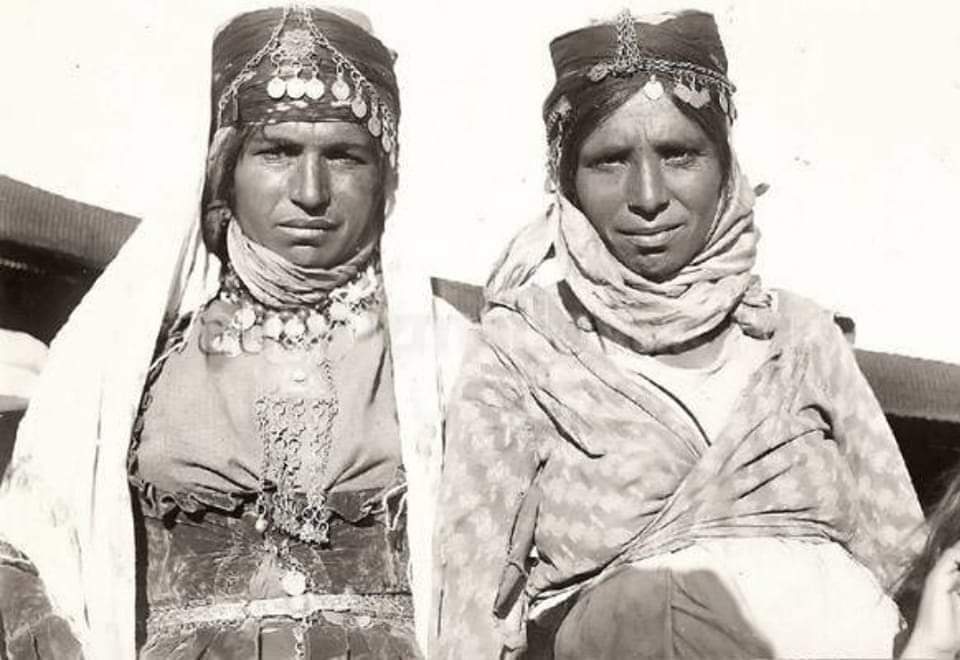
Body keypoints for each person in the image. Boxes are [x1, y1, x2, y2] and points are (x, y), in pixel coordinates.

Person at [432, 9, 924, 659]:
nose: (648, 196)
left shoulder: (800, 338)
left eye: (679, 154)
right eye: (609, 161)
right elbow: (471, 610)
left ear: (724, 165)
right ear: (567, 180)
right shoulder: (522, 350)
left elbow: (909, 564)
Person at [0, 6, 427, 658]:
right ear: (225, 166)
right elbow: (27, 537)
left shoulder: (443, 363)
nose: (310, 192)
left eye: (343, 156)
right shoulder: (131, 358)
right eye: (277, 151)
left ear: (385, 175)